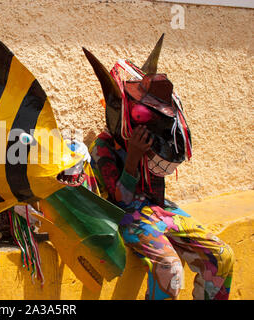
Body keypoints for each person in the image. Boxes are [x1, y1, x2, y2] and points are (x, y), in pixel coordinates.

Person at [85, 46, 234, 300]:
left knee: (221, 256)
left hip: (160, 209)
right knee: (170, 269)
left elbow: (158, 183)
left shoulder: (152, 136)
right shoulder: (103, 147)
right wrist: (131, 158)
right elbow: (121, 202)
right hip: (127, 216)